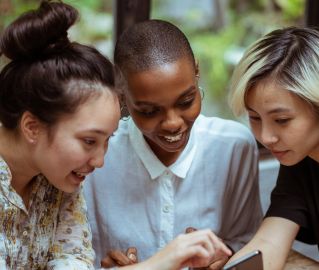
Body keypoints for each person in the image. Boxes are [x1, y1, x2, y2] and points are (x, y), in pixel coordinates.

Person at [0, 1, 232, 270]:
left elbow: (74, 262)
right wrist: (162, 261)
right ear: (31, 127)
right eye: (89, 141)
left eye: (108, 139)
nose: (100, 161)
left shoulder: (56, 178)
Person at [83, 19, 262, 269]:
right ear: (121, 94)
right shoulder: (95, 159)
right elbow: (72, 255)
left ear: (196, 71)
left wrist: (225, 253)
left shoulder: (233, 147)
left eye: (186, 101)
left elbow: (248, 241)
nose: (172, 123)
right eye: (148, 111)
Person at [227, 26, 319, 269]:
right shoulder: (301, 159)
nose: (266, 137)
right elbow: (268, 242)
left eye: (282, 120)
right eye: (255, 117)